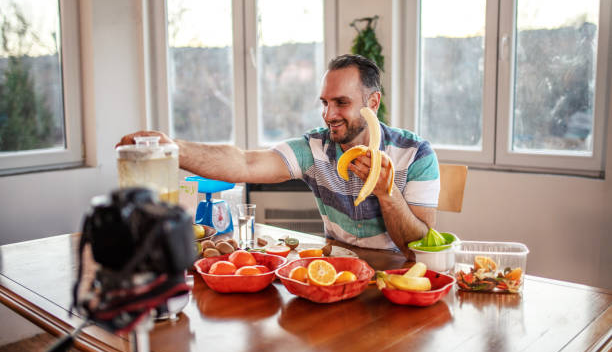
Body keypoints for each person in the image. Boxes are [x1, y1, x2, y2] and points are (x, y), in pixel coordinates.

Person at [117, 54, 439, 257]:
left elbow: (419, 245)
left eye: (341, 102)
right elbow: (244, 162)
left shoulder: (416, 155)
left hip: (399, 282)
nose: (329, 115)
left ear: (372, 103)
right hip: (336, 275)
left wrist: (388, 193)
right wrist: (172, 148)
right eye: (324, 103)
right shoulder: (316, 148)